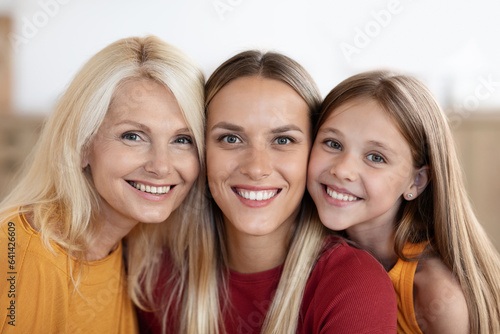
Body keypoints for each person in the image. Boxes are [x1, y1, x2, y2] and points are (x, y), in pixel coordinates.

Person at [139, 51, 397, 333]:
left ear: (312, 151)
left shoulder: (354, 285)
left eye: (283, 140)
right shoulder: (159, 276)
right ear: (201, 152)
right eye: (231, 138)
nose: (256, 168)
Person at [0, 35, 205, 333]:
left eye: (182, 140)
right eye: (132, 136)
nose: (161, 166)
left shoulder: (135, 247)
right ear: (82, 144)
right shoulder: (27, 253)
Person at [307, 70, 500, 334]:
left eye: (376, 157)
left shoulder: (437, 296)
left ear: (416, 182)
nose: (343, 170)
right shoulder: (309, 252)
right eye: (333, 143)